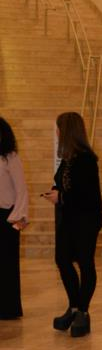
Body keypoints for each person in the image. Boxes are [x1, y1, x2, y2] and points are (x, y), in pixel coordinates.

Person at [44, 112, 102, 337]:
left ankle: (83, 311)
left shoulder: (86, 159)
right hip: (69, 217)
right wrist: (56, 192)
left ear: (67, 131)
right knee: (62, 259)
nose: (56, 132)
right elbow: (61, 183)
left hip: (86, 219)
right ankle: (74, 307)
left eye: (58, 128)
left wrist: (61, 197)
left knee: (85, 263)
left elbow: (87, 195)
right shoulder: (67, 158)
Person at [0, 117, 29, 320]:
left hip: (7, 216)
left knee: (7, 264)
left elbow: (21, 189)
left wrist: (19, 217)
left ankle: (8, 308)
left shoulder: (11, 157)